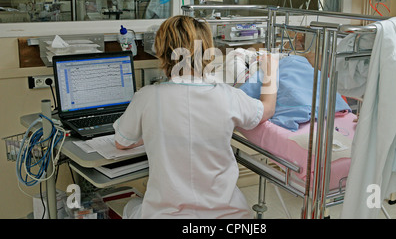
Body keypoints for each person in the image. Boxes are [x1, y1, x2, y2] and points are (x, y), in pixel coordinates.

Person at [114, 15, 278, 219]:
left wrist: (151, 132)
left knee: (130, 205)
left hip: (165, 214)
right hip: (228, 215)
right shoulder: (228, 96)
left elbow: (122, 143)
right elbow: (267, 109)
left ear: (162, 53)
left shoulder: (146, 97)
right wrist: (271, 70)